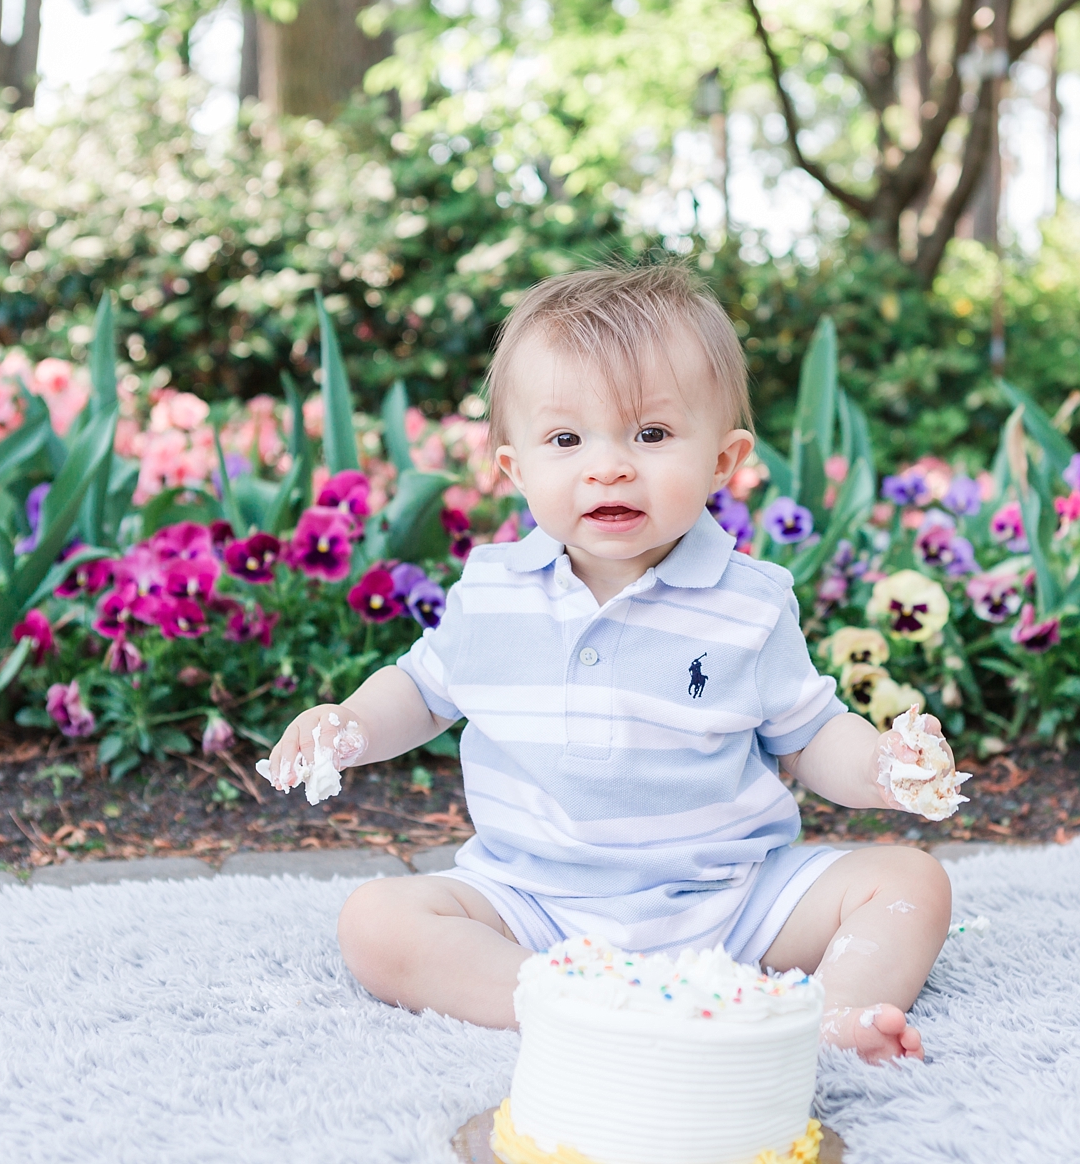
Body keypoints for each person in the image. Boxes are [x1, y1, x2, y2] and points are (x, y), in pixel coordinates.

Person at [264, 263, 952, 1063]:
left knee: (909, 886)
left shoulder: (749, 603)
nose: (609, 466)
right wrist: (346, 722)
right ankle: (571, 1004)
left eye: (651, 434)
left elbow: (808, 735)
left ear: (724, 462)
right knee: (376, 923)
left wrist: (882, 765)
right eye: (566, 439)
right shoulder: (494, 589)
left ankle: (825, 1021)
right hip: (534, 904)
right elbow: (420, 691)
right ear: (517, 469)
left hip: (729, 901)